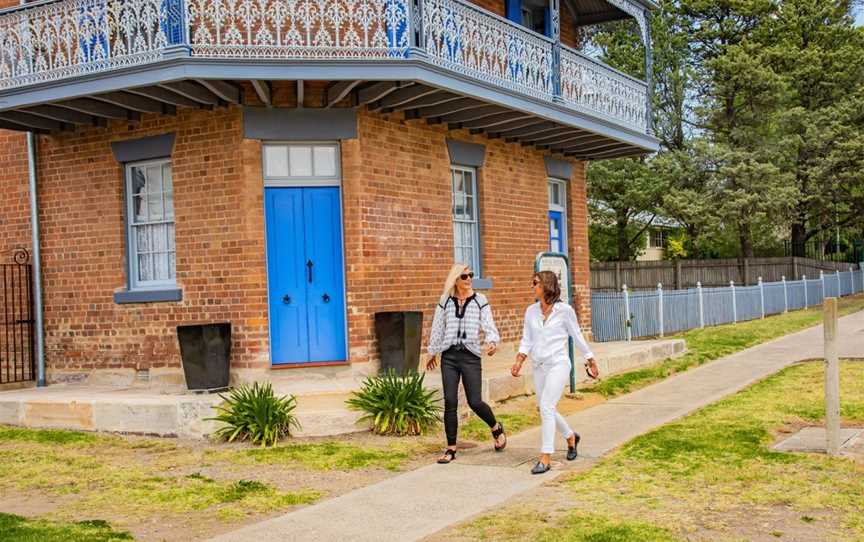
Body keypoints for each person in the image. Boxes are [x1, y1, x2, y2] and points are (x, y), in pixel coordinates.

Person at [511, 270, 599, 474]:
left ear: (546, 286)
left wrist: (590, 359)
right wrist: (519, 361)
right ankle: (570, 437)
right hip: (539, 366)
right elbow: (527, 339)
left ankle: (545, 457)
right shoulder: (531, 311)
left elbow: (577, 336)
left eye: (535, 283)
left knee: (547, 406)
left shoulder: (564, 310)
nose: (532, 286)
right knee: (544, 408)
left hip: (559, 363)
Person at [426, 264, 506, 464]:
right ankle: (451, 449)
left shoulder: (480, 300)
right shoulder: (445, 301)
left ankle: (496, 427)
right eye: (464, 276)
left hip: (471, 356)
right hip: (449, 357)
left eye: (471, 275)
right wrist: (432, 351)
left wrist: (492, 342)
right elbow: (438, 327)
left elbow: (489, 326)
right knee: (450, 401)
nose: (469, 279)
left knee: (475, 401)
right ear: (455, 279)